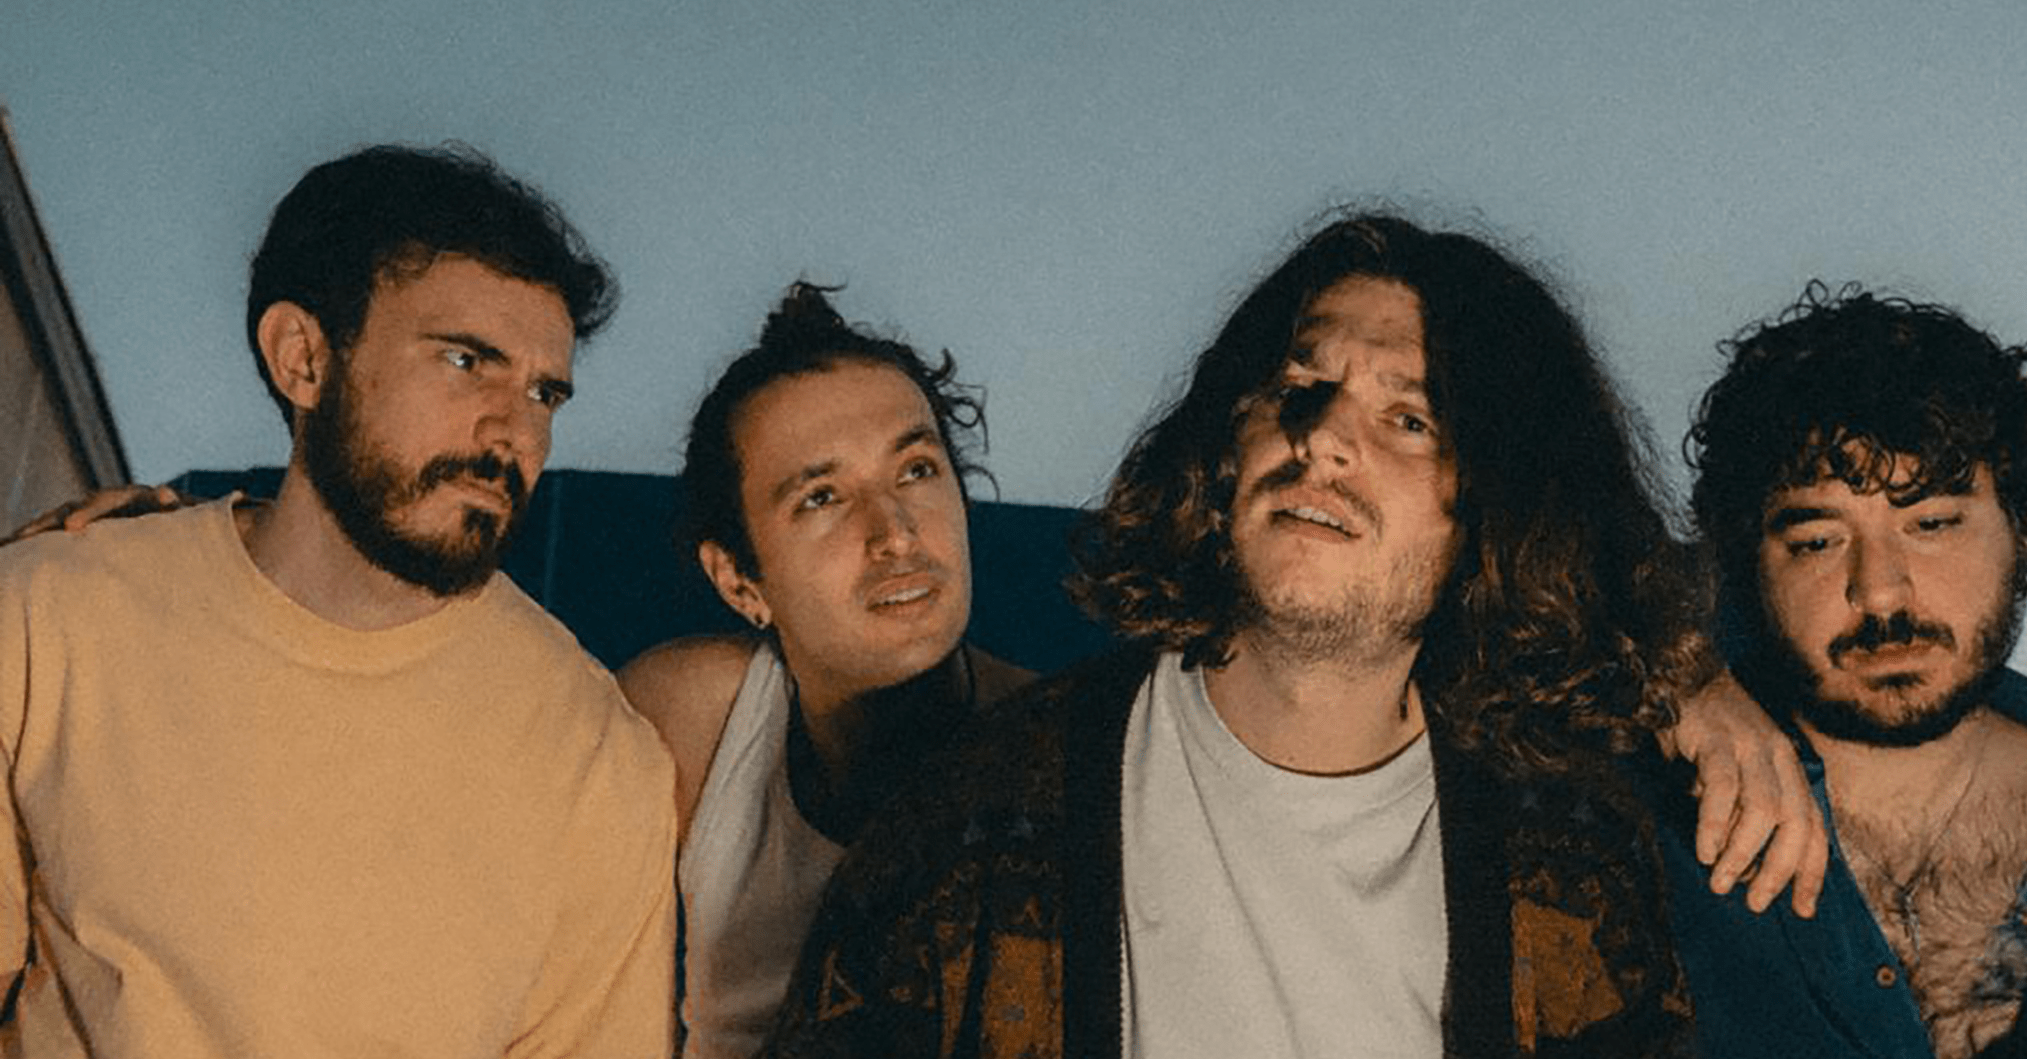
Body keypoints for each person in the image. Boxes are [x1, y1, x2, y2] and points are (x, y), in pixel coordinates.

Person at [760, 213, 1824, 1058]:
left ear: (1492, 505)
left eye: (1408, 418)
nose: (1323, 441)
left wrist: (1696, 683)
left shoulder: (1571, 847)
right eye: (1299, 388)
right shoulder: (972, 823)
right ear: (1228, 435)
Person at [0, 144, 676, 1057]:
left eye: (543, 392)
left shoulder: (598, 757)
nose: (514, 430)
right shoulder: (51, 617)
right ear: (304, 359)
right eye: (466, 360)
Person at [1661, 284, 2027, 1058]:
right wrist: (1673, 676)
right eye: (1817, 540)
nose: (1880, 591)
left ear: (2024, 530)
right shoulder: (1639, 837)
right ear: (1747, 562)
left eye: (1932, 523)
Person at [616, 282, 1031, 1058]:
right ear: (741, 581)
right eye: (822, 496)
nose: (895, 533)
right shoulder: (693, 719)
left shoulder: (1066, 746)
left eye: (916, 470)